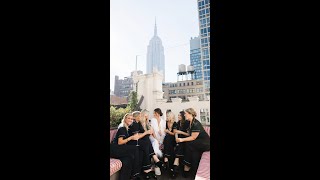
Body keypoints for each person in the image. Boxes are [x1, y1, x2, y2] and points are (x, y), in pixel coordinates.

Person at [176, 108, 210, 178]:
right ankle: (192, 170)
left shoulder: (196, 123)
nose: (184, 115)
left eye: (186, 113)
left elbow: (193, 137)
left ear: (190, 114)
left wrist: (182, 140)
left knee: (189, 144)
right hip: (198, 142)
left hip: (205, 143)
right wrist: (181, 133)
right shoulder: (190, 122)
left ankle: (187, 166)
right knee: (194, 152)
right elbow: (190, 135)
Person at [131, 111, 165, 177]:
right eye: (140, 116)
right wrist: (146, 133)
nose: (142, 117)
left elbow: (145, 133)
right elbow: (136, 135)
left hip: (142, 140)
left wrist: (149, 133)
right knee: (146, 142)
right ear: (136, 117)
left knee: (147, 142)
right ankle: (154, 162)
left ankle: (148, 169)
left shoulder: (139, 123)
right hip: (134, 142)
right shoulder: (135, 124)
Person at [110, 113, 141, 180]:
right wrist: (131, 138)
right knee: (135, 149)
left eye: (132, 119)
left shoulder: (127, 129)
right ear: (124, 119)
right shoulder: (122, 128)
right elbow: (120, 142)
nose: (130, 120)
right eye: (128, 118)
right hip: (114, 148)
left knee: (127, 160)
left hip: (119, 150)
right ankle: (135, 175)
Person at [172, 111, 190, 177]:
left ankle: (175, 169)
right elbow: (175, 132)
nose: (178, 116)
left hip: (186, 139)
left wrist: (180, 132)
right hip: (179, 140)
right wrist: (176, 139)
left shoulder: (187, 123)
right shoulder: (177, 123)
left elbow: (188, 134)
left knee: (180, 146)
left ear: (183, 116)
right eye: (178, 115)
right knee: (179, 145)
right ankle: (177, 169)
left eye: (179, 115)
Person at [163, 111, 178, 178]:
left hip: (173, 139)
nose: (166, 117)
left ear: (171, 117)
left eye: (168, 116)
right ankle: (167, 160)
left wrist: (168, 131)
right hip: (167, 140)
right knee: (167, 138)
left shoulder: (175, 123)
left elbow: (174, 134)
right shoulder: (166, 123)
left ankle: (166, 158)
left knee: (168, 137)